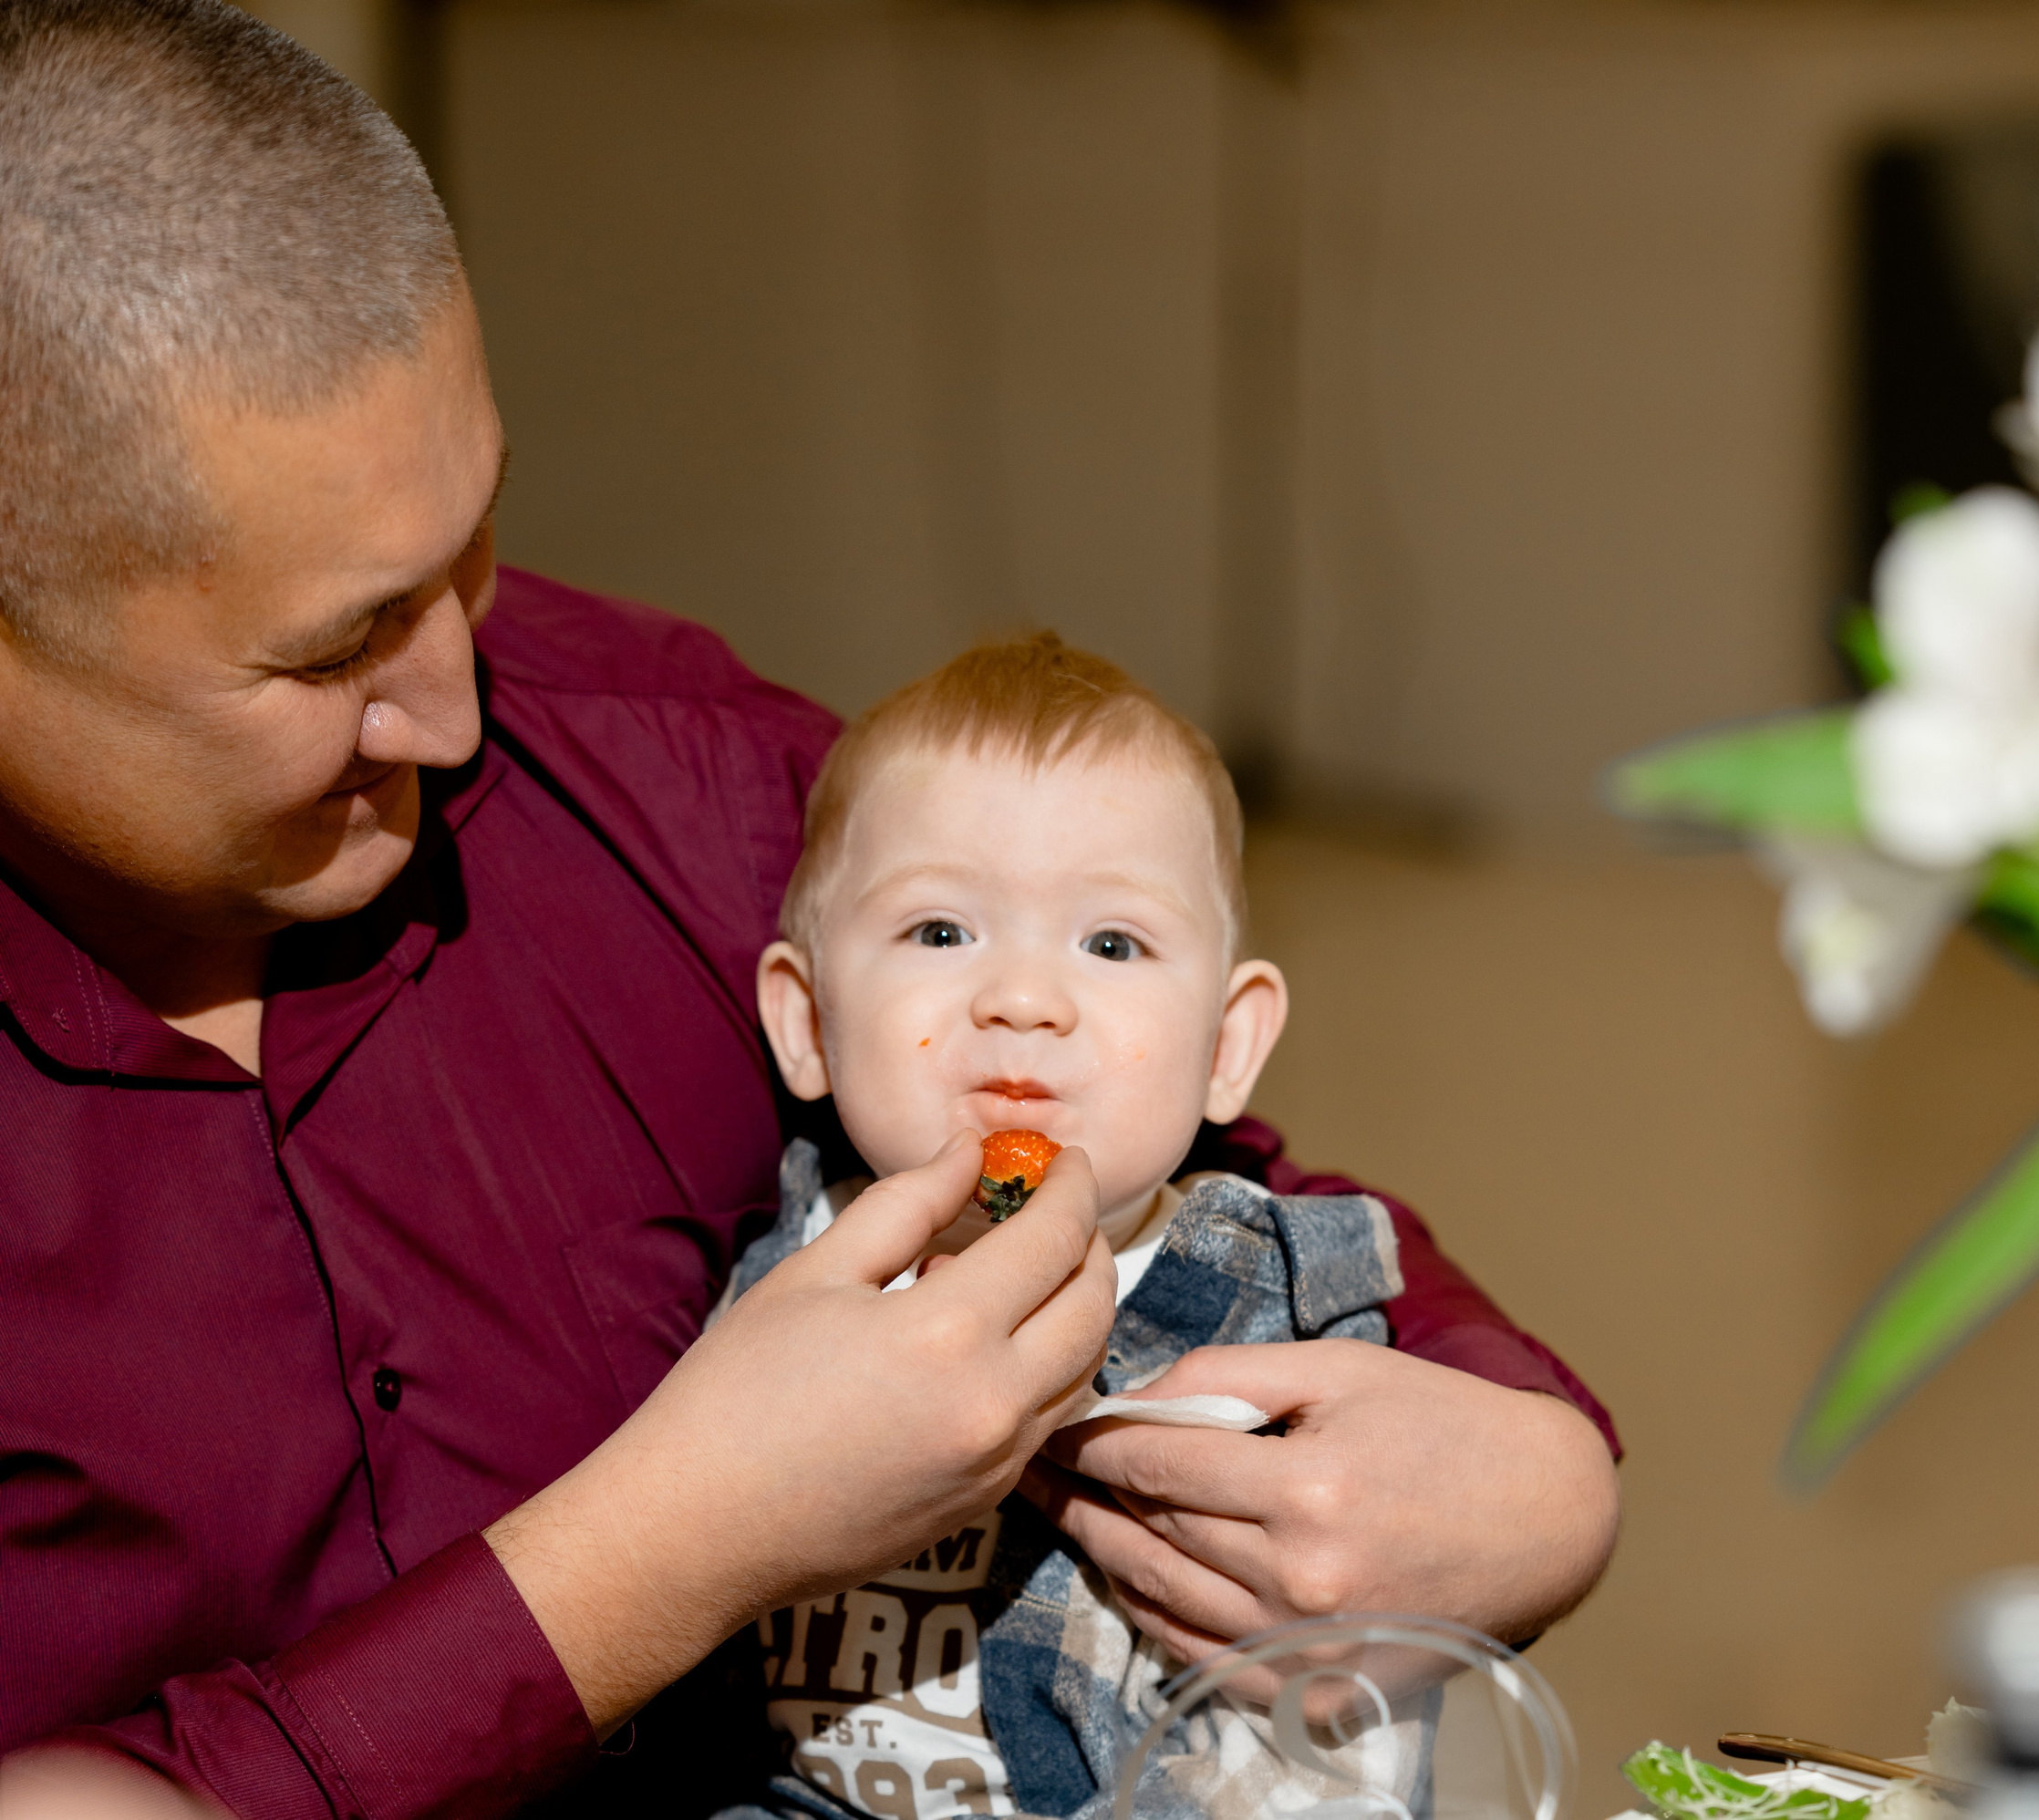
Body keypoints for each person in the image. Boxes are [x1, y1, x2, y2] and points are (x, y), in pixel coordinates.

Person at [0, 4, 1622, 1817]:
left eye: (467, 551)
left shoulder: (654, 770)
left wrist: (1537, 1459)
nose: (456, 708)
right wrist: (662, 1545)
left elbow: (1187, 1139)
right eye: (329, 651)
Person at [722, 632, 1430, 1819]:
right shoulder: (778, 1283)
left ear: (1229, 1044)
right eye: (940, 932)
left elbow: (1343, 1709)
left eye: (1112, 943)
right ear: (806, 1020)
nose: (1026, 1000)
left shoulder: (1279, 1311)